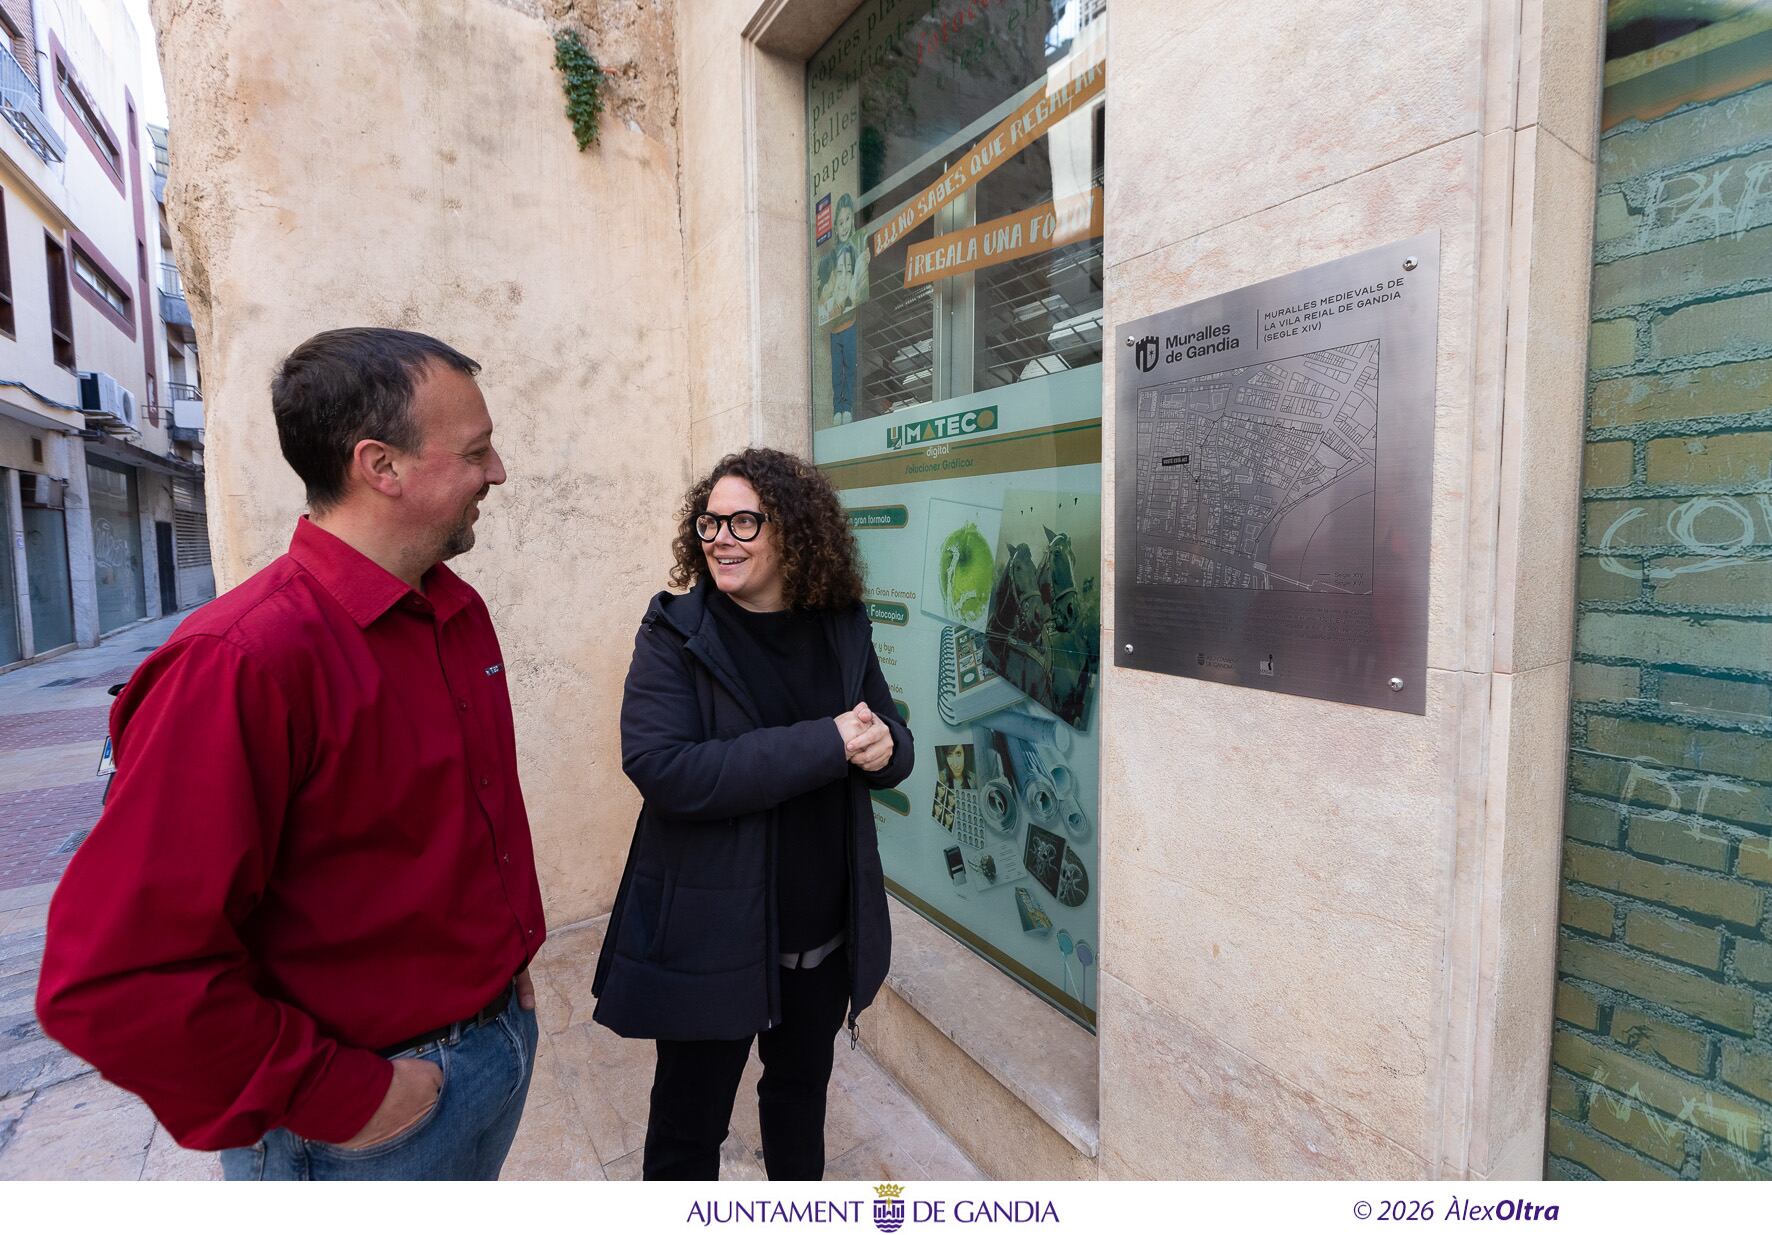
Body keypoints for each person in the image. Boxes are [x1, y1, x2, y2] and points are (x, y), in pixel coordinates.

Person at [36, 328, 546, 1181]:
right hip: (365, 1129)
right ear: (381, 465)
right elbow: (117, 976)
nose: (496, 472)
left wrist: (502, 961)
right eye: (475, 451)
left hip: (491, 1048)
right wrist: (343, 1095)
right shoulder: (241, 662)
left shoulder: (454, 613)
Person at [591, 447, 913, 1181]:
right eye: (709, 522)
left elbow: (890, 738)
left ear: (794, 530)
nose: (720, 539)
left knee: (799, 1100)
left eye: (743, 521)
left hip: (821, 936)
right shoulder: (676, 632)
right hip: (715, 934)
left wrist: (887, 746)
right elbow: (664, 767)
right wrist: (829, 742)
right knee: (687, 1129)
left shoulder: (841, 625)